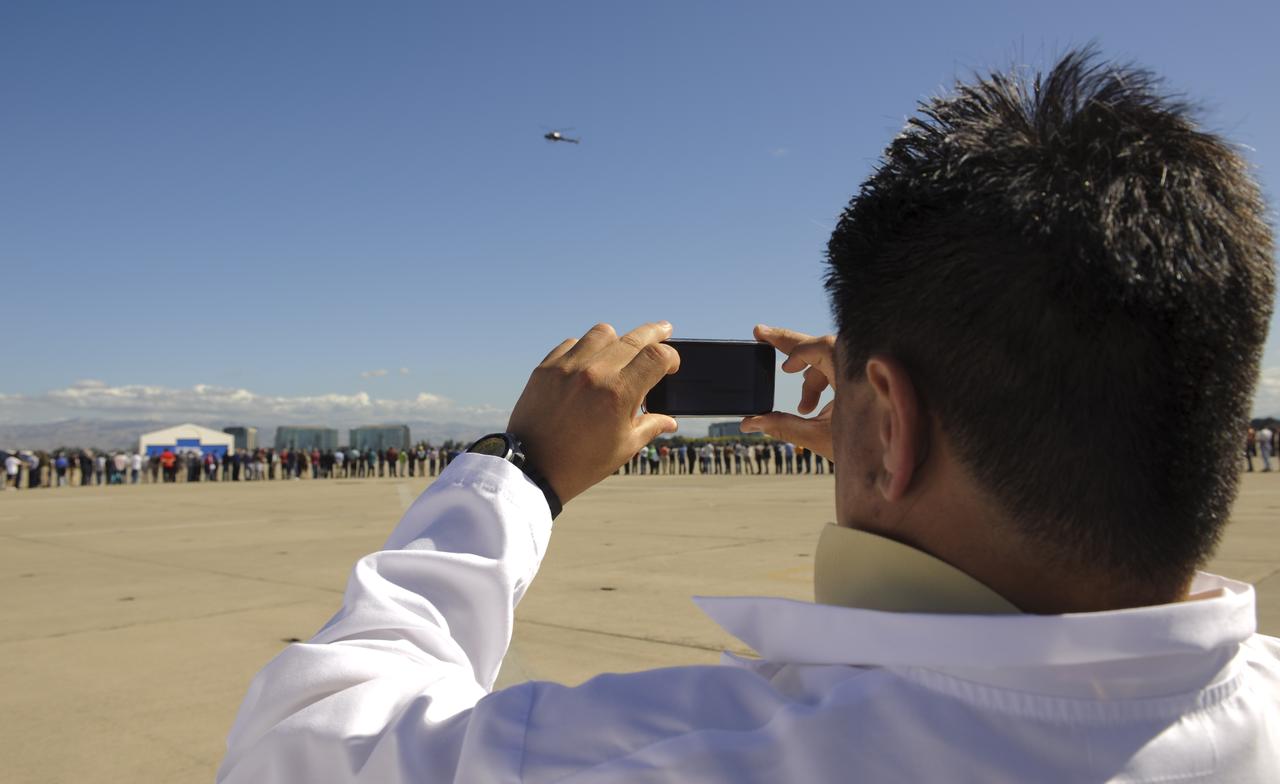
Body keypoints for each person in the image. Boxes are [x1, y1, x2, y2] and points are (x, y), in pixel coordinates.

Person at [218, 52, 1278, 782]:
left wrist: (518, 469)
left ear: (891, 421)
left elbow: (297, 746)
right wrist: (887, 448)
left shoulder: (683, 755)